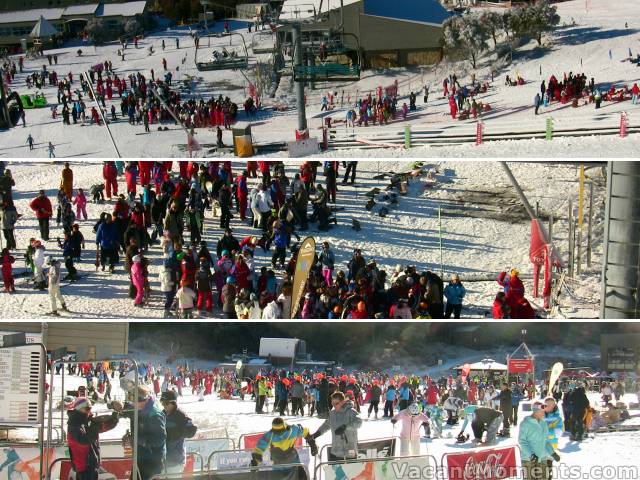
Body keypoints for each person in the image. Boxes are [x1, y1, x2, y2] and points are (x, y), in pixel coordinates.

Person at [66, 397, 121, 480]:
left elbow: (102, 427)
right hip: (84, 465)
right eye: (87, 408)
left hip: (91, 463)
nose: (89, 411)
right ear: (79, 409)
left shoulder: (86, 420)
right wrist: (94, 429)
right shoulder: (74, 423)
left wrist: (114, 418)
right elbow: (83, 440)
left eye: (90, 408)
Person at [121, 386, 166, 480]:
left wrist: (139, 440)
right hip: (140, 458)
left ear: (143, 400)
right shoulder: (138, 410)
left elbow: (160, 439)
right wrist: (130, 437)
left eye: (134, 401)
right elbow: (126, 411)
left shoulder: (154, 415)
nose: (133, 404)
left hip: (152, 461)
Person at [251, 417, 317, 477]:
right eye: (276, 432)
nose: (279, 434)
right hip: (278, 467)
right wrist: (255, 461)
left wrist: (312, 444)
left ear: (284, 427)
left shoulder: (293, 430)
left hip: (294, 465)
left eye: (280, 431)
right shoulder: (270, 435)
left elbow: (305, 432)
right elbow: (259, 448)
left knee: (302, 476)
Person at [310, 391, 362, 461]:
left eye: (336, 403)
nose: (334, 406)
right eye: (332, 403)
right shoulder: (333, 414)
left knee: (351, 467)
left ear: (342, 402)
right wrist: (316, 434)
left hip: (350, 450)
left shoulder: (351, 411)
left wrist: (345, 427)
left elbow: (359, 422)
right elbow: (326, 425)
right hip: (336, 451)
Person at [161, 390, 197, 474]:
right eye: (162, 403)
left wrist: (177, 433)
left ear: (173, 403)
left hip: (176, 460)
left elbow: (192, 430)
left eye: (166, 403)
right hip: (163, 459)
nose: (164, 406)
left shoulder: (180, 415)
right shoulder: (162, 414)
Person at [518, 404, 550, 480]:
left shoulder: (544, 423)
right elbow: (522, 441)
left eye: (544, 412)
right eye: (542, 412)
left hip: (542, 457)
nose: (544, 414)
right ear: (535, 412)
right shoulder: (525, 424)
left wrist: (552, 452)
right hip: (528, 459)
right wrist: (531, 455)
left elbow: (546, 440)